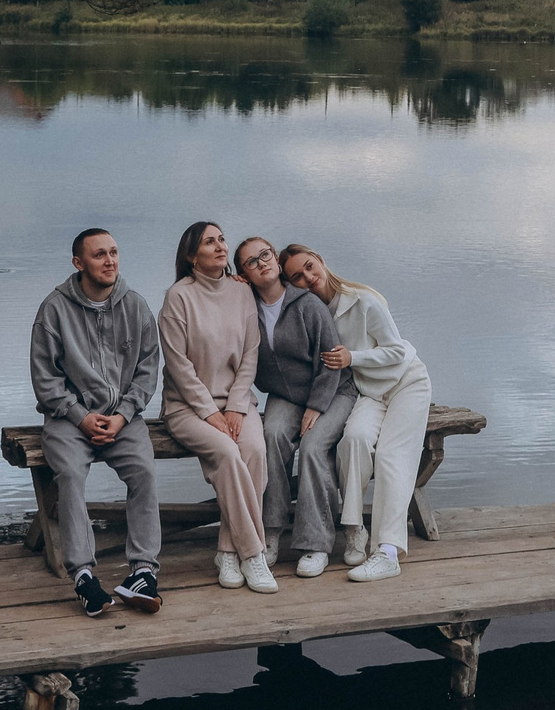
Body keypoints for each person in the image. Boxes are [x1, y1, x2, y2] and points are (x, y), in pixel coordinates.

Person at [31, 227, 165, 616]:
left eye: (114, 253)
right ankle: (84, 576)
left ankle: (142, 571)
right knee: (70, 475)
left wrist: (123, 415)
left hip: (124, 418)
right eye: (99, 255)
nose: (109, 261)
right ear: (79, 263)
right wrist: (80, 416)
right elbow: (45, 380)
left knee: (143, 471)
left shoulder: (136, 306)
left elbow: (147, 371)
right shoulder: (53, 309)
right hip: (67, 419)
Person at [280, 246, 430, 583]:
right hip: (369, 392)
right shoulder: (310, 312)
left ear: (320, 259)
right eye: (297, 277)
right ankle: (354, 529)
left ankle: (388, 552)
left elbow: (395, 351)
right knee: (354, 440)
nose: (308, 278)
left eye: (310, 267)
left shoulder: (362, 300)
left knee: (392, 457)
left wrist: (353, 359)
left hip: (406, 381)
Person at [159, 219, 276, 592]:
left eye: (222, 239)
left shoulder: (241, 292)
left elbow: (250, 355)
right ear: (192, 255)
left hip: (237, 403)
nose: (221, 246)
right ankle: (254, 554)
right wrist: (210, 412)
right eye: (210, 242)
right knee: (227, 453)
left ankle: (227, 551)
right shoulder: (178, 297)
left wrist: (237, 406)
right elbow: (178, 365)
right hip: (187, 407)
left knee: (255, 451)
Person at [236, 235, 353, 579]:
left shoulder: (306, 304)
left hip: (333, 391)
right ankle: (271, 530)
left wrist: (317, 406)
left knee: (315, 448)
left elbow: (333, 360)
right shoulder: (247, 307)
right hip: (285, 395)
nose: (262, 263)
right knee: (271, 435)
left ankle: (315, 544)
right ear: (243, 273)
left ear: (275, 257)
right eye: (251, 262)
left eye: (266, 255)